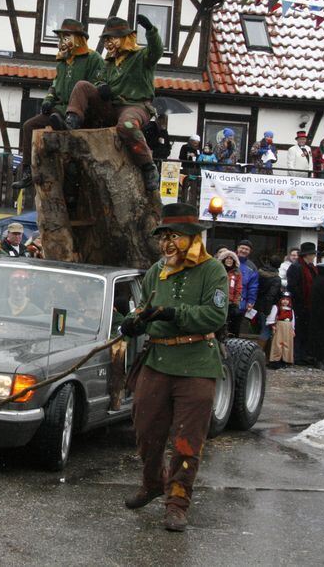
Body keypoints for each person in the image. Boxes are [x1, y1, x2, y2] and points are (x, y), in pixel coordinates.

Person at [119, 202, 227, 533]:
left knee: (186, 441)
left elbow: (215, 316)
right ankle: (153, 483)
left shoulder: (212, 271)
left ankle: (177, 503)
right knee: (146, 430)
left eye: (175, 236)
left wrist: (173, 314)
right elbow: (141, 309)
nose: (167, 244)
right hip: (158, 360)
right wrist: (132, 322)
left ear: (193, 237)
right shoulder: (156, 271)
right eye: (164, 236)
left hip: (196, 363)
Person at [55, 15, 162, 195]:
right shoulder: (108, 63)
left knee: (127, 126)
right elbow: (98, 81)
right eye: (106, 39)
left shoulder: (142, 57)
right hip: (112, 106)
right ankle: (72, 121)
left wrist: (151, 30)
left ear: (125, 38)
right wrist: (101, 87)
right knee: (82, 86)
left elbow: (157, 51)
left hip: (135, 106)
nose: (108, 43)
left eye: (111, 38)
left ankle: (148, 166)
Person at [12, 19, 105, 190]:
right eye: (60, 38)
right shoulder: (62, 62)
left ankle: (66, 124)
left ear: (78, 38)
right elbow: (54, 86)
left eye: (66, 37)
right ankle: (27, 172)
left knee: (66, 142)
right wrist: (48, 100)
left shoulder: (93, 59)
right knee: (29, 126)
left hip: (82, 111)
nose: (61, 42)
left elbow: (97, 85)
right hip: (60, 108)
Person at [286, 242, 318, 363]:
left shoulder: (311, 268)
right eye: (312, 254)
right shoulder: (296, 267)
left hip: (308, 305)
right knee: (298, 331)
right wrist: (301, 300)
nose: (314, 256)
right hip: (299, 304)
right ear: (307, 255)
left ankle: (303, 354)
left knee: (305, 331)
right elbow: (293, 286)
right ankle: (297, 355)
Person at [233, 240, 258, 336]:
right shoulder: (229, 260)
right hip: (226, 301)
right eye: (242, 248)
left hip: (241, 303)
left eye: (246, 249)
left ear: (250, 251)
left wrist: (251, 301)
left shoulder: (252, 267)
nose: (244, 250)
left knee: (236, 329)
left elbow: (253, 286)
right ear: (237, 248)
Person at [265, 293, 295, 369]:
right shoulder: (276, 308)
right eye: (283, 299)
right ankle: (275, 360)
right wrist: (273, 325)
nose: (285, 301)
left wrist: (293, 329)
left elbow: (293, 320)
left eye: (287, 300)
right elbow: (272, 317)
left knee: (287, 343)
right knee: (278, 343)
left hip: (288, 327)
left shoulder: (291, 310)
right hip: (279, 326)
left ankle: (286, 360)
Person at [216, 250, 241, 337]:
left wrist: (236, 303)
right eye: (227, 258)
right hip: (218, 301)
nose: (229, 260)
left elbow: (238, 289)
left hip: (230, 303)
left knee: (232, 323)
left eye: (231, 259)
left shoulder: (237, 273)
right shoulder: (218, 271)